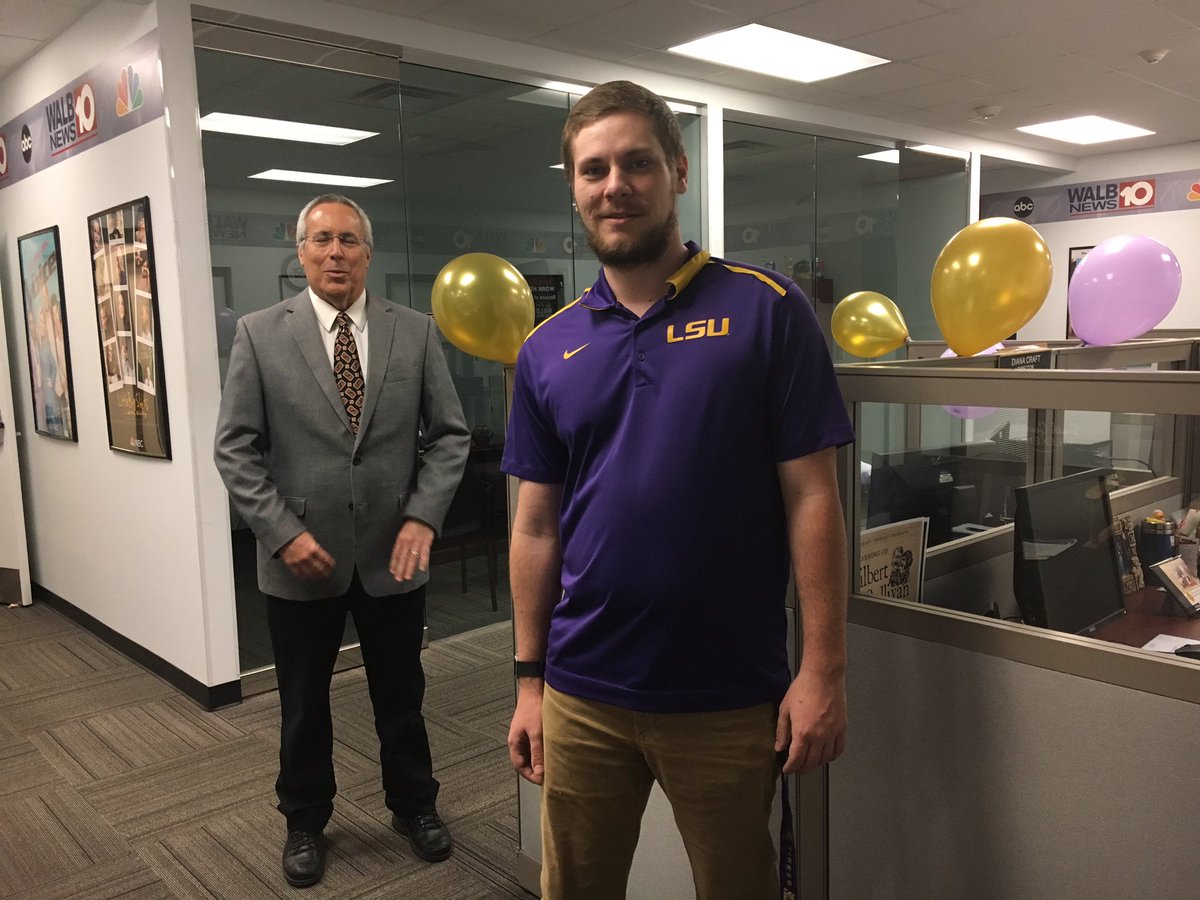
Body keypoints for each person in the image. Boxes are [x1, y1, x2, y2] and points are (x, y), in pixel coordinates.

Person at [503, 81, 855, 900]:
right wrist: (528, 683)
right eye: (593, 170)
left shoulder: (767, 310)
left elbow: (813, 499)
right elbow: (536, 525)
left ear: (679, 172)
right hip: (582, 691)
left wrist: (824, 671)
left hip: (727, 693)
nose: (614, 186)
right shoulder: (547, 347)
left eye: (637, 163)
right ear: (574, 187)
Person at [214, 194, 470, 889]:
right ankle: (304, 820)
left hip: (395, 554)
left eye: (349, 240)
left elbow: (451, 436)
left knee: (402, 695)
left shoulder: (414, 332)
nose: (336, 252)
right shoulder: (260, 334)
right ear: (300, 252)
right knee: (303, 704)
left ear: (368, 252)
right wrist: (279, 531)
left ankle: (414, 805)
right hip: (300, 560)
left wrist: (423, 516)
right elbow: (235, 448)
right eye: (322, 239)